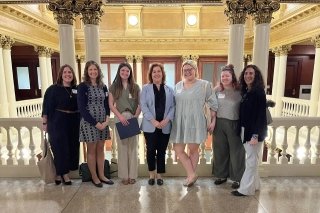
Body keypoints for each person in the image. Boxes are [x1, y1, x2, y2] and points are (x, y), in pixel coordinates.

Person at [170, 60, 218, 187]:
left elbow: (213, 103)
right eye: (185, 70)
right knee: (178, 149)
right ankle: (192, 174)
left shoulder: (205, 85)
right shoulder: (178, 85)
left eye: (190, 69)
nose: (187, 72)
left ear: (195, 70)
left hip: (196, 122)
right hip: (179, 122)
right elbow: (173, 104)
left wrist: (213, 121)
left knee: (193, 149)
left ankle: (190, 176)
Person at [232, 64, 267, 196]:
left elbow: (260, 116)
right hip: (245, 131)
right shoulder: (247, 91)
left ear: (256, 75)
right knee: (253, 159)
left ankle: (245, 189)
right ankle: (255, 185)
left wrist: (255, 135)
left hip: (253, 133)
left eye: (251, 73)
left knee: (251, 161)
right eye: (246, 73)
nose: (248, 76)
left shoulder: (258, 92)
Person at [42, 64, 80, 185]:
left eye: (70, 72)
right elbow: (46, 107)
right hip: (57, 121)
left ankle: (59, 174)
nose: (68, 74)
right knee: (59, 148)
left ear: (73, 75)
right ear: (61, 75)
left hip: (73, 122)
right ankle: (65, 175)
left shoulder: (76, 89)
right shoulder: (52, 89)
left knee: (71, 147)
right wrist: (44, 122)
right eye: (65, 72)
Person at [78, 60, 113, 188]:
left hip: (103, 121)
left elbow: (106, 104)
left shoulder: (103, 86)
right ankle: (94, 176)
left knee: (101, 148)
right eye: (90, 69)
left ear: (98, 71)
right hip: (89, 122)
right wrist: (96, 123)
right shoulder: (82, 87)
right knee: (91, 150)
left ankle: (102, 175)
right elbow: (81, 108)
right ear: (87, 72)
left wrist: (107, 119)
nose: (93, 72)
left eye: (95, 69)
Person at [140, 63, 175, 186]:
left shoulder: (169, 89)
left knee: (162, 151)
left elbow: (173, 107)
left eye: (158, 71)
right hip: (150, 125)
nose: (156, 73)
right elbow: (143, 106)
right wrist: (153, 121)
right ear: (151, 74)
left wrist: (166, 120)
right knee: (150, 150)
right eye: (154, 72)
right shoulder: (145, 88)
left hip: (165, 125)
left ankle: (159, 175)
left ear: (162, 73)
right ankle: (151, 174)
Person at [213, 64, 245, 189]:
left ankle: (237, 178)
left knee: (237, 151)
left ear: (232, 76)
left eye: (227, 75)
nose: (224, 78)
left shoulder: (240, 90)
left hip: (234, 123)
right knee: (220, 150)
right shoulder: (216, 90)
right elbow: (212, 107)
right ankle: (221, 175)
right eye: (222, 76)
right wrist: (212, 121)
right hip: (219, 123)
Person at [108, 62, 141, 185]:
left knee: (133, 148)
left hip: (132, 117)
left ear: (130, 72)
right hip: (120, 118)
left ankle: (132, 175)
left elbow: (140, 104)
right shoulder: (114, 87)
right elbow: (111, 104)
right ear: (119, 72)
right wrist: (120, 116)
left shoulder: (135, 87)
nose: (125, 73)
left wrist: (135, 117)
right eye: (123, 71)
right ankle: (124, 176)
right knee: (122, 148)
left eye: (127, 71)